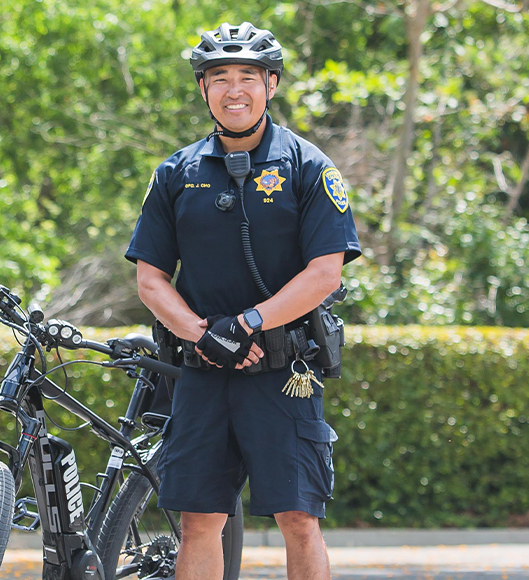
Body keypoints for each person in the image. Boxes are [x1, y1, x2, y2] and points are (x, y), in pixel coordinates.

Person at [124, 22, 362, 580]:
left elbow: (325, 273)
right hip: (203, 371)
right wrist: (200, 333)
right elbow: (151, 279)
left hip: (283, 372)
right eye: (220, 78)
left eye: (248, 77)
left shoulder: (309, 167)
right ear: (203, 90)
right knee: (198, 521)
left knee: (298, 518)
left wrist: (249, 323)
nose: (235, 90)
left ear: (272, 84)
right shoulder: (175, 174)